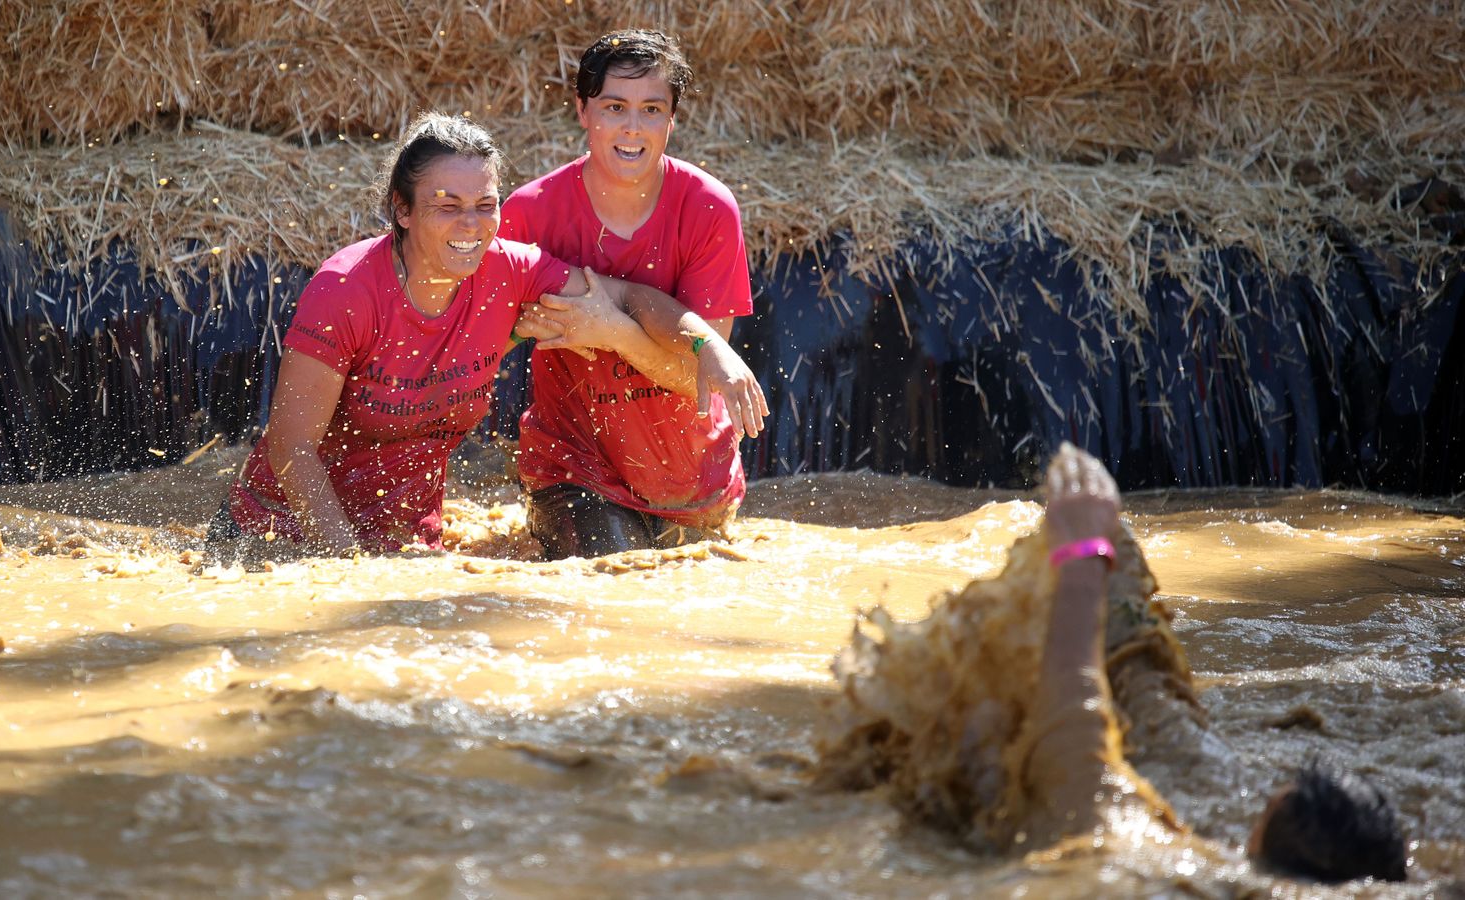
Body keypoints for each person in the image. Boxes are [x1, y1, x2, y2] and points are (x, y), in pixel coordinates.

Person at [818, 443, 1407, 884]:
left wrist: (1082, 554)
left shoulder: (1137, 854)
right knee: (1134, 640)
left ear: (1258, 844)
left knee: (985, 721)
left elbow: (1072, 740)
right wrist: (1107, 545)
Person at [210, 112, 764, 557]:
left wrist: (707, 345)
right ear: (401, 210)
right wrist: (350, 568)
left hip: (408, 550)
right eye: (446, 206)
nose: (471, 225)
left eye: (485, 205)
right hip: (277, 545)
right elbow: (291, 445)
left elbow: (626, 297)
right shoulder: (345, 290)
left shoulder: (510, 271)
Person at [499, 29, 767, 559]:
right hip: (573, 467)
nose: (632, 127)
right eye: (615, 106)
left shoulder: (710, 209)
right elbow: (486, 341)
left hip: (693, 480)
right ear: (582, 110)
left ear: (673, 118)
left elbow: (698, 382)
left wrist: (611, 332)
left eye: (651, 110)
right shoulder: (530, 214)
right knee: (610, 578)